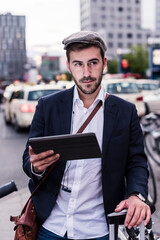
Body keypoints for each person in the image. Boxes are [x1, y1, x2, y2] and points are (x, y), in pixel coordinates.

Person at [23, 31, 151, 240]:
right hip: (51, 225)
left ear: (104, 63)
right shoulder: (48, 106)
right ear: (69, 65)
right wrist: (36, 167)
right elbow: (28, 159)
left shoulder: (125, 111)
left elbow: (136, 161)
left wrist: (136, 195)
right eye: (78, 64)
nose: (87, 72)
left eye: (93, 63)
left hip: (99, 228)